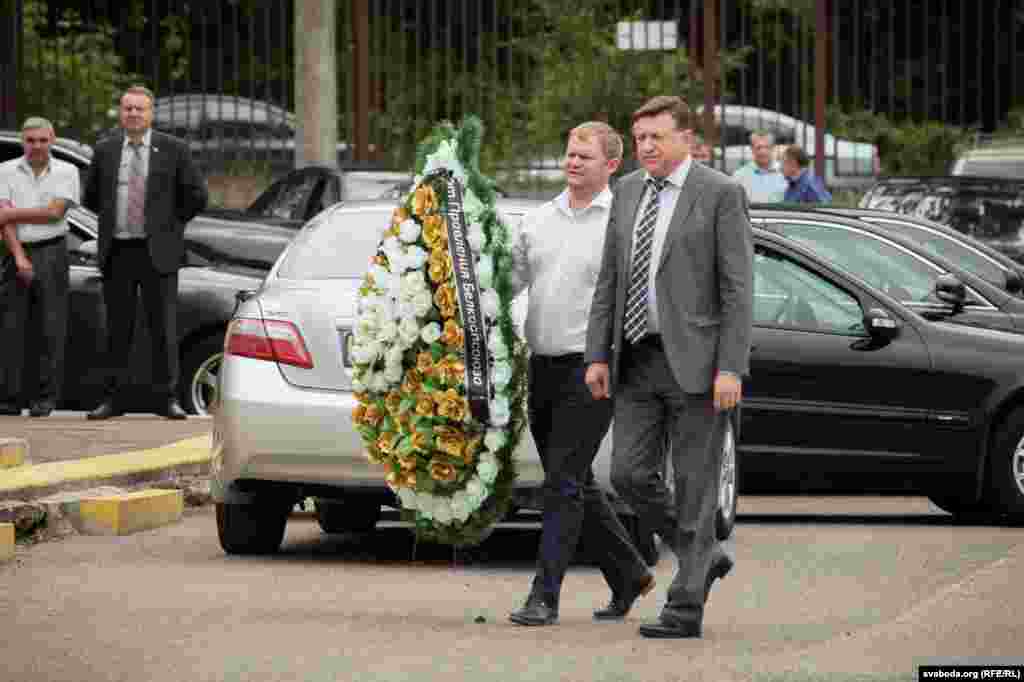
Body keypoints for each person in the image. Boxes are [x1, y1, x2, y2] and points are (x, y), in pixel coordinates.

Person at [584, 95, 753, 639]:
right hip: (636, 359)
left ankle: (684, 608)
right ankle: (701, 555)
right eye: (640, 139)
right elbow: (610, 281)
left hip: (700, 367)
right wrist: (595, 355)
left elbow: (738, 289)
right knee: (627, 474)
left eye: (657, 137)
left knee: (697, 484)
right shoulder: (627, 191)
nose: (647, 148)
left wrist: (731, 367)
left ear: (687, 139)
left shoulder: (720, 194)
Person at [507, 121, 655, 627]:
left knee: (563, 483)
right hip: (541, 365)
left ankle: (543, 596)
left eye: (585, 157)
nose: (573, 163)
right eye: (570, 154)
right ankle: (630, 573)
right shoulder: (537, 220)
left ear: (611, 165)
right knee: (570, 480)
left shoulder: (622, 224)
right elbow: (509, 281)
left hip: (591, 370)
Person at [82, 85, 208, 420]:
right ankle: (113, 399)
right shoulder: (106, 150)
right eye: (128, 109)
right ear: (121, 113)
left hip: (159, 252)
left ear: (151, 114)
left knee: (162, 328)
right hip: (119, 251)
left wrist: (170, 225)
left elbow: (197, 195)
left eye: (140, 109)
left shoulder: (174, 149)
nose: (133, 114)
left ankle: (166, 399)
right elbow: (91, 197)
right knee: (117, 328)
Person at [0, 117, 80, 417]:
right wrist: (19, 256)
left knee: (50, 327)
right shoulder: (4, 171)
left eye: (42, 140)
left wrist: (9, 214)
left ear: (52, 139)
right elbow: (5, 224)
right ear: (23, 141)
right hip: (14, 251)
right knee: (11, 327)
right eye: (30, 140)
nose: (36, 146)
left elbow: (54, 213)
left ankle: (43, 399)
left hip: (52, 252)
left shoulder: (67, 171)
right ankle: (8, 399)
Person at [731, 130, 787, 203]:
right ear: (751, 149)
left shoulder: (785, 173)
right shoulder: (739, 176)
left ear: (773, 148)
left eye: (767, 147)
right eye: (759, 147)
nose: (763, 151)